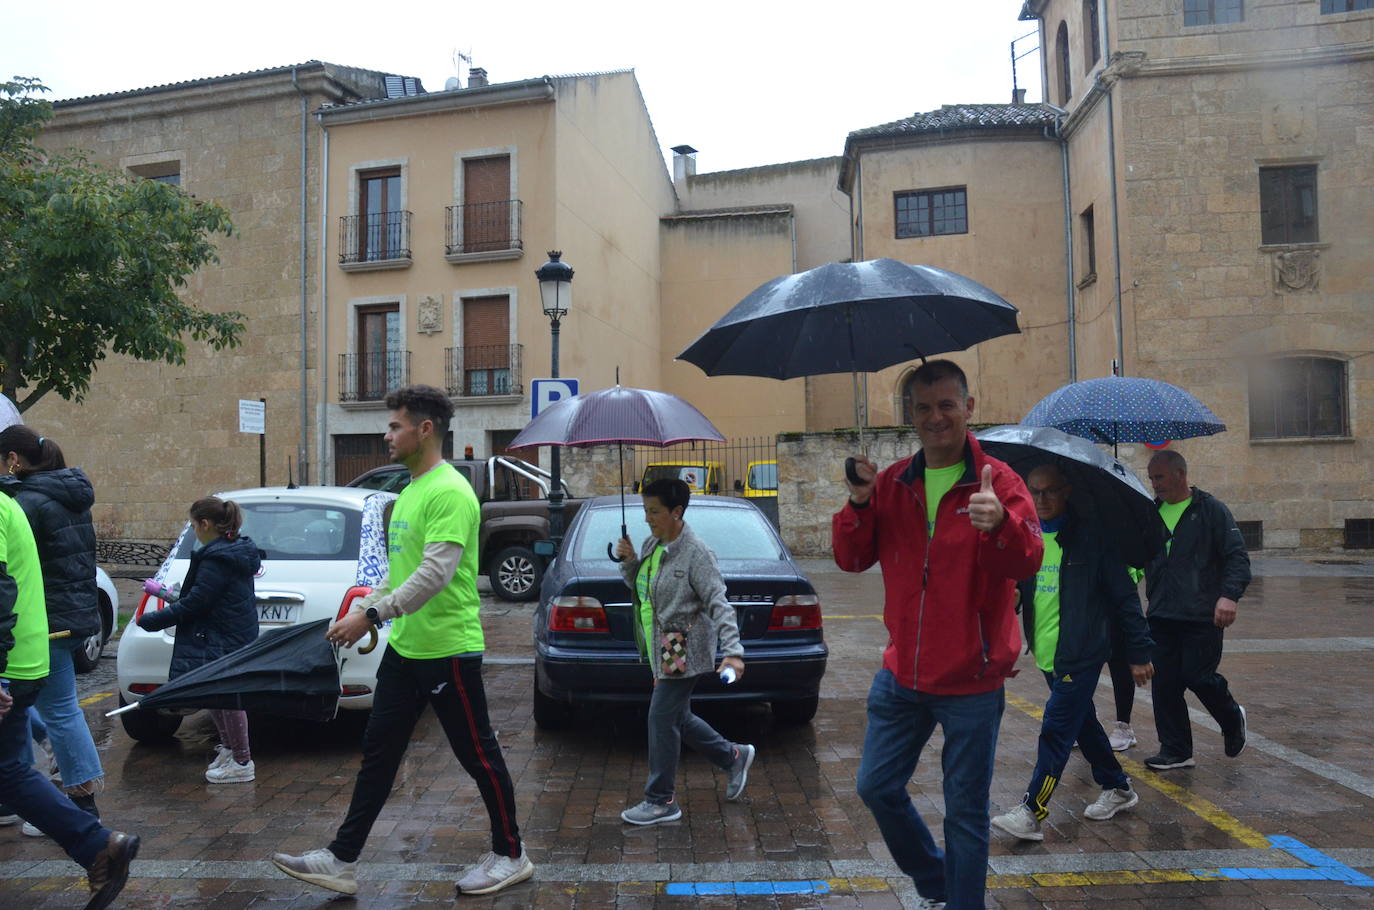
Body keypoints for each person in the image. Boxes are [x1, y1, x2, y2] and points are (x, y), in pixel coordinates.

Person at [272, 385, 532, 898]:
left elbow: (436, 574)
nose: (386, 434)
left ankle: (511, 854)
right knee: (378, 753)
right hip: (408, 649)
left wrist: (371, 614)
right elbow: (402, 574)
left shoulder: (450, 492)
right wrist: (366, 602)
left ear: (425, 429)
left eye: (395, 426)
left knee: (478, 755)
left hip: (449, 651)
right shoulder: (411, 490)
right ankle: (341, 860)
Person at [833, 359, 1042, 910]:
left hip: (972, 680)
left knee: (965, 813)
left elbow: (1028, 561)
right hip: (903, 675)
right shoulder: (894, 483)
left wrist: (1001, 524)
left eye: (947, 405)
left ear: (968, 408)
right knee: (876, 787)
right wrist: (858, 501)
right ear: (910, 415)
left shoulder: (1000, 482)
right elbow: (851, 559)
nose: (936, 418)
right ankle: (936, 884)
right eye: (923, 408)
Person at [990, 464, 1154, 842]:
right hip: (1048, 652)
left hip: (1082, 651)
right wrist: (1014, 598)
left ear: (1066, 491)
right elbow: (1024, 586)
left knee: (1057, 729)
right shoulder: (1028, 537)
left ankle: (1032, 811)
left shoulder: (1093, 540)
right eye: (1034, 491)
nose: (1041, 499)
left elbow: (1126, 599)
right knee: (1083, 723)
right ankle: (1118, 787)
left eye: (1049, 491)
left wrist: (1140, 651)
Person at [0, 475, 139, 910]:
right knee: (9, 771)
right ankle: (96, 844)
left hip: (10, 664)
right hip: (24, 657)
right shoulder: (8, 502)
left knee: (9, 770)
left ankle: (96, 841)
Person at [613, 477, 753, 826]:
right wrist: (630, 562)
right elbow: (640, 586)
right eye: (645, 510)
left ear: (677, 512)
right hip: (658, 644)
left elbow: (719, 603)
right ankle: (733, 756)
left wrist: (734, 651)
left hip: (682, 647)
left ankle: (661, 800)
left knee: (661, 717)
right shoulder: (651, 543)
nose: (648, 518)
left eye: (655, 511)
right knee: (677, 717)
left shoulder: (696, 553)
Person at [0, 427, 106, 831]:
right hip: (75, 614)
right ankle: (18, 794)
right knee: (28, 705)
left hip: (47, 621)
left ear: (13, 459)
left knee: (57, 710)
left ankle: (81, 804)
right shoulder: (68, 494)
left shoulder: (26, 501)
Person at [135, 496, 262, 783]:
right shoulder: (228, 552)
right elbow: (200, 599)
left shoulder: (218, 558)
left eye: (193, 524)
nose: (193, 530)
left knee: (227, 697)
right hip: (227, 633)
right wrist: (166, 596)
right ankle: (231, 751)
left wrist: (152, 620)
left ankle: (242, 761)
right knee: (214, 695)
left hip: (223, 636)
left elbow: (195, 604)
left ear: (205, 524)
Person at [1142, 449, 1251, 771]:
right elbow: (1137, 556)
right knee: (1165, 684)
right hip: (1161, 612)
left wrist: (1229, 596)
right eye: (1151, 478)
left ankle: (1232, 717)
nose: (1155, 484)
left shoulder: (1211, 511)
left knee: (1198, 676)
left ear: (1180, 474)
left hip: (1202, 614)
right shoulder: (1150, 514)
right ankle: (1176, 750)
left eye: (1159, 477)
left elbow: (1237, 558)